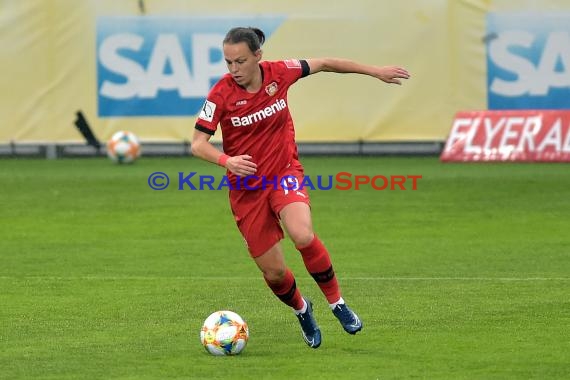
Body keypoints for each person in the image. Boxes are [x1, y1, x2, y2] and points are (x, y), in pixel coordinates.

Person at [191, 27, 410, 348]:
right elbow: (197, 144)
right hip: (246, 190)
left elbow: (324, 63)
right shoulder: (220, 94)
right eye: (228, 63)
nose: (234, 70)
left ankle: (338, 305)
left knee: (303, 234)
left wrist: (374, 71)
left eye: (240, 61)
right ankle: (302, 309)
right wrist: (227, 161)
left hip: (283, 173)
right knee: (275, 273)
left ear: (257, 56)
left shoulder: (281, 72)